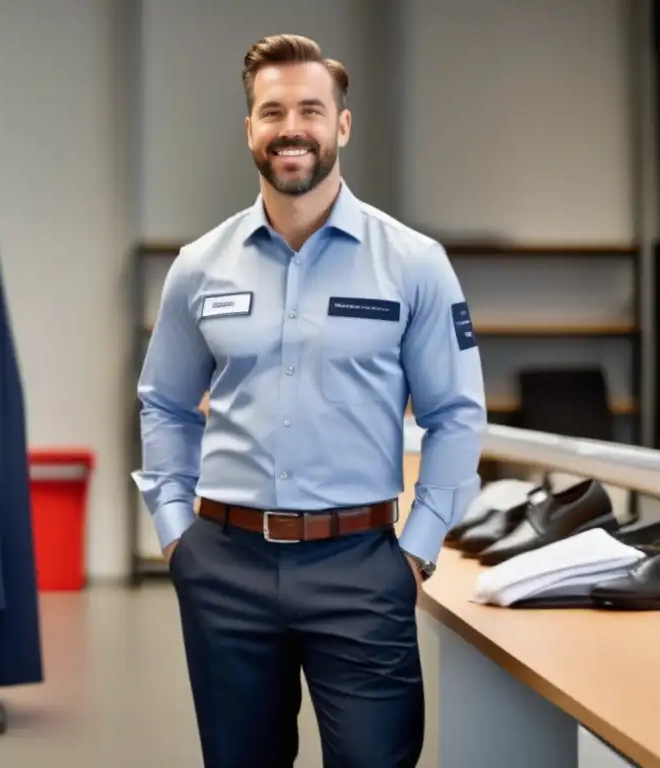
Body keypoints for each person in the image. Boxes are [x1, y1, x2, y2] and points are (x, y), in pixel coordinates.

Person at [133, 33, 487, 768]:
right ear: (250, 130)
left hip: (361, 567)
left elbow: (455, 414)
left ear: (342, 126)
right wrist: (177, 533)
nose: (291, 128)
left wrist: (417, 549)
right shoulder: (198, 267)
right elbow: (164, 404)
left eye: (310, 110)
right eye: (272, 112)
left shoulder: (413, 263)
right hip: (224, 566)